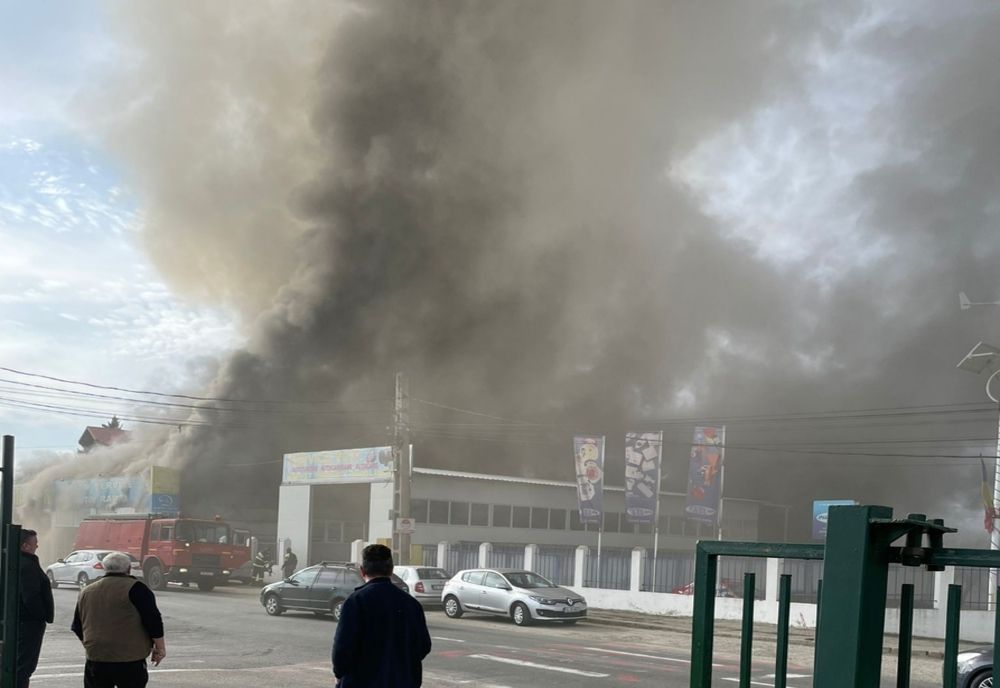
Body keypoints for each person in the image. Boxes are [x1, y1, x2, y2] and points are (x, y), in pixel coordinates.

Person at [332, 544, 431, 687]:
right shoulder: (411, 604)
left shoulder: (356, 602)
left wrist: (339, 673)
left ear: (362, 571)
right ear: (391, 570)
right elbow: (424, 645)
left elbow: (342, 648)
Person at [71, 552, 166, 688]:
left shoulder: (86, 591)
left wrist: (92, 646)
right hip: (130, 658)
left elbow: (77, 626)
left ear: (105, 568)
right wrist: (160, 648)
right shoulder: (137, 589)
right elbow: (153, 621)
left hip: (96, 657)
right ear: (128, 569)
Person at [18, 529, 54, 688]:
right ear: (25, 546)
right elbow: (31, 596)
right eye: (34, 543)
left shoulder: (17, 562)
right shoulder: (28, 566)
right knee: (24, 666)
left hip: (23, 622)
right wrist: (41, 616)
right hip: (29, 624)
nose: (37, 546)